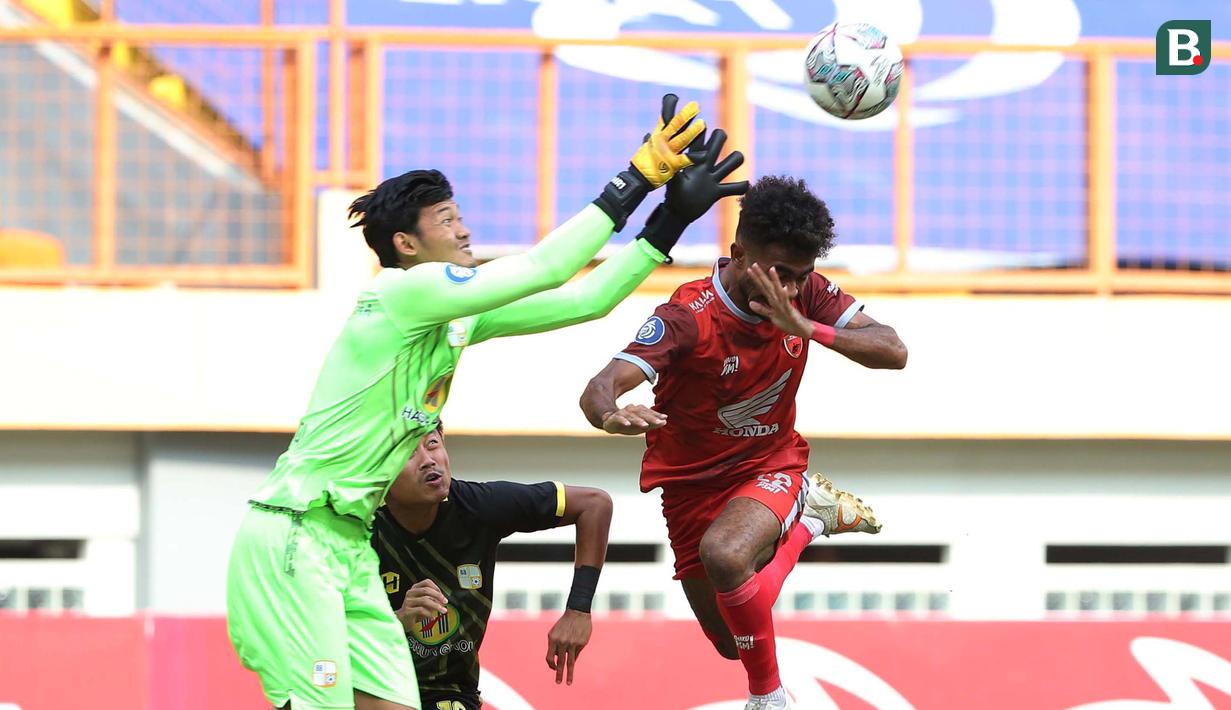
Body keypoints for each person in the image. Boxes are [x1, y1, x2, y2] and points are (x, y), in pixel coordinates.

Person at [225, 93, 747, 710]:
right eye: (446, 219)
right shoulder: (401, 294)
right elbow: (547, 267)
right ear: (408, 245)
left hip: (348, 547)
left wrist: (667, 223)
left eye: (458, 214)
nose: (464, 229)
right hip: (295, 537)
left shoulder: (453, 322)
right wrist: (636, 179)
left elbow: (586, 300)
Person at [579, 175, 909, 710]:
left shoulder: (808, 296)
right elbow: (600, 386)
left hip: (769, 463)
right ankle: (811, 523)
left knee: (726, 554)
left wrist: (808, 327)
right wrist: (610, 415)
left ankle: (769, 697)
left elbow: (893, 351)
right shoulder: (688, 317)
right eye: (779, 274)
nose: (791, 288)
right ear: (737, 254)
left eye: (801, 276)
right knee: (734, 642)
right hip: (687, 486)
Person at [371, 422, 612, 710]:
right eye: (409, 453)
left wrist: (578, 609)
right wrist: (398, 621)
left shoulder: (479, 507)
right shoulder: (354, 532)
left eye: (432, 443)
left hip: (450, 693)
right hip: (370, 687)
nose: (428, 460)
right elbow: (322, 636)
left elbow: (595, 504)